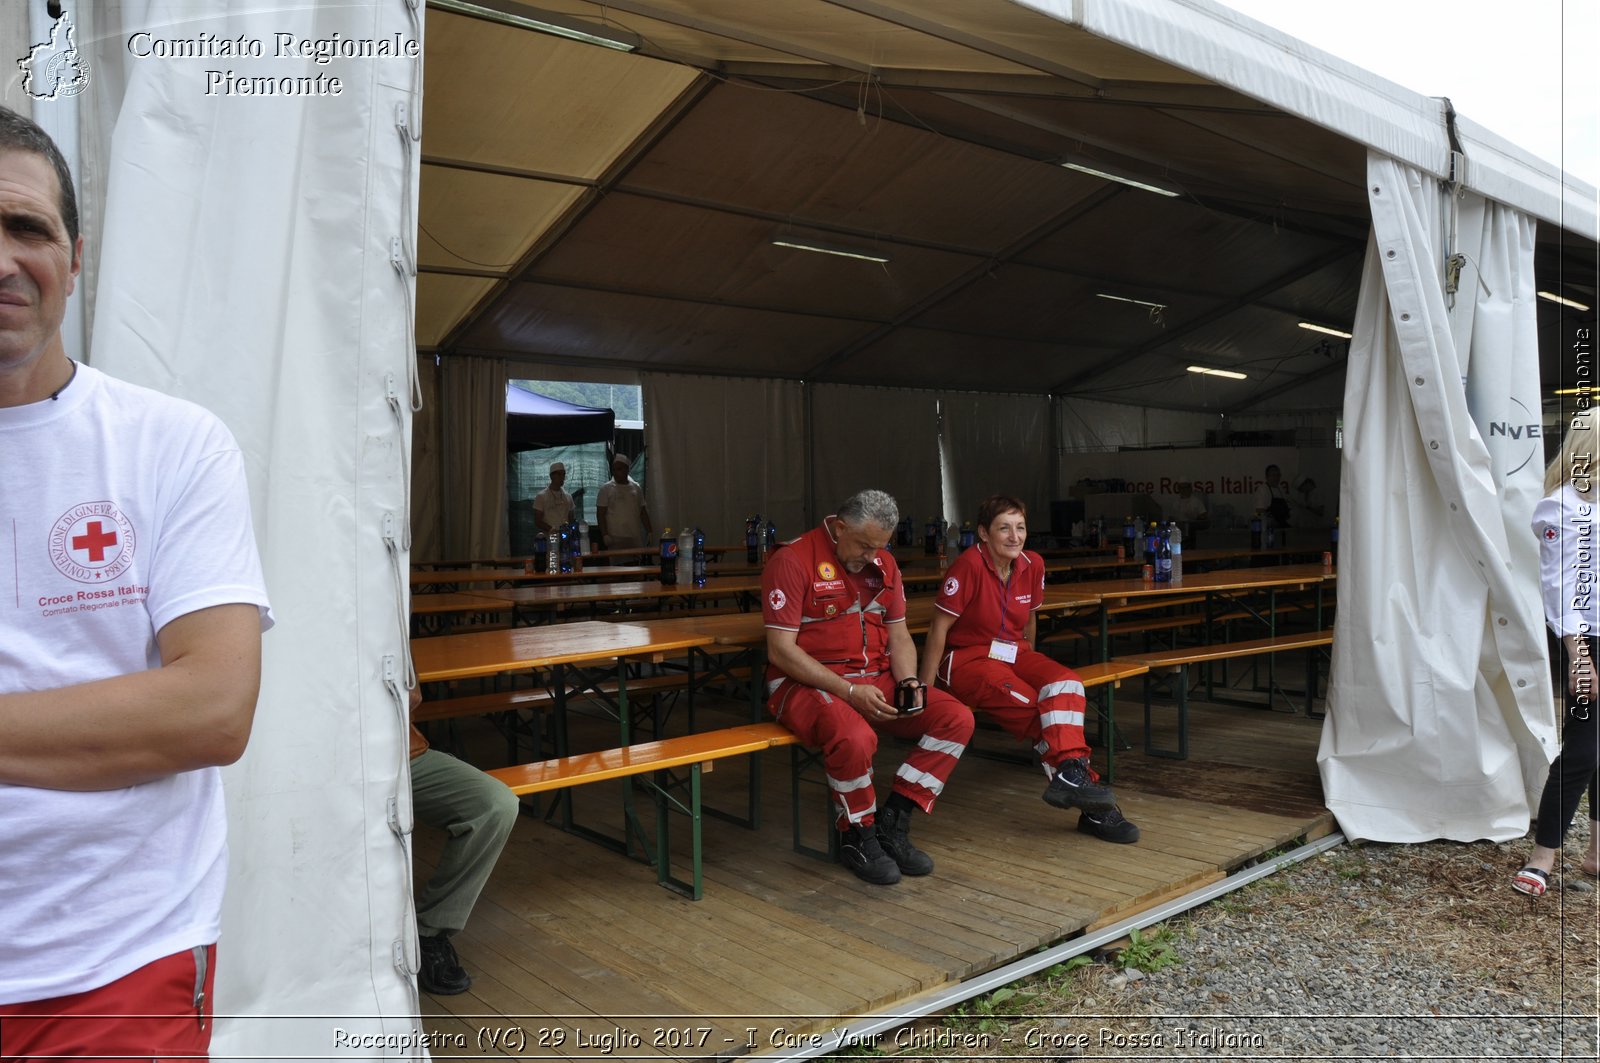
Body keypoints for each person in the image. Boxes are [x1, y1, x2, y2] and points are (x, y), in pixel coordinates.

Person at [0, 107, 272, 1057]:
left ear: (74, 258)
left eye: (25, 228)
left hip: (115, 960)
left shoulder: (171, 444)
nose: (2, 261)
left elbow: (211, 710)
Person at [763, 489, 975, 884]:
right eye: (864, 545)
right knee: (855, 736)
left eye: (879, 547)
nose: (871, 556)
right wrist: (847, 691)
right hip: (803, 683)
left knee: (955, 718)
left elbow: (899, 637)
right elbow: (780, 651)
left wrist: (909, 679)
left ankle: (894, 818)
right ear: (839, 527)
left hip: (873, 678)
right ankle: (856, 833)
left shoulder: (884, 563)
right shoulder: (792, 560)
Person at [919, 495, 1139, 844]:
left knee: (1068, 682)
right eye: (1003, 528)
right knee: (1043, 717)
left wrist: (1030, 663)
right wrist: (925, 691)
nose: (1014, 536)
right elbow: (938, 629)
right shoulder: (968, 565)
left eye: (1020, 527)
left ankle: (1071, 777)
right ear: (983, 534)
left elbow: (1030, 618)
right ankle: (1095, 809)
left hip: (1014, 654)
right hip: (968, 660)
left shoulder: (1032, 563)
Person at [1513, 421, 1600, 896]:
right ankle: (1543, 856)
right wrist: (1579, 655)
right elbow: (1559, 588)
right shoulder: (1564, 506)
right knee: (1584, 747)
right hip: (1588, 639)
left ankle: (1595, 854)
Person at [408, 690, 520, 994]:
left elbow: (412, 694)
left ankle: (429, 930)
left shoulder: (385, 638)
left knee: (495, 804)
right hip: (315, 760)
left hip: (400, 754)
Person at [596, 453, 651, 551]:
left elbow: (643, 512)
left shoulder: (636, 488)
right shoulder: (606, 489)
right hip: (615, 538)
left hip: (634, 536)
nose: (616, 472)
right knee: (618, 565)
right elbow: (600, 514)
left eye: (619, 469)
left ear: (627, 469)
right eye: (614, 470)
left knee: (636, 564)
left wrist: (649, 531)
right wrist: (605, 535)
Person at [532, 460, 574, 533]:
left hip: (566, 537)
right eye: (559, 474)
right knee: (553, 544)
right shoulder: (541, 496)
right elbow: (537, 521)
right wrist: (552, 530)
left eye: (563, 474)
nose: (562, 477)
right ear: (551, 476)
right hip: (550, 537)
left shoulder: (568, 496)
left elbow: (571, 518)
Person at [1251, 464, 1292, 531]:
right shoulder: (1262, 489)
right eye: (1273, 475)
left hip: (1281, 526)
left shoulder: (1280, 489)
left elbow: (1287, 507)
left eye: (1278, 475)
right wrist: (1269, 519)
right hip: (1266, 527)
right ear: (1267, 477)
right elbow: (1258, 512)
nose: (1276, 478)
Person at [1173, 481, 1208, 547]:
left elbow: (1204, 515)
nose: (1184, 490)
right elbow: (1172, 518)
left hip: (1193, 531)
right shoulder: (1176, 503)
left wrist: (1195, 518)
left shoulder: (1196, 501)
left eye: (1186, 488)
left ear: (1190, 489)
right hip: (1179, 531)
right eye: (1181, 488)